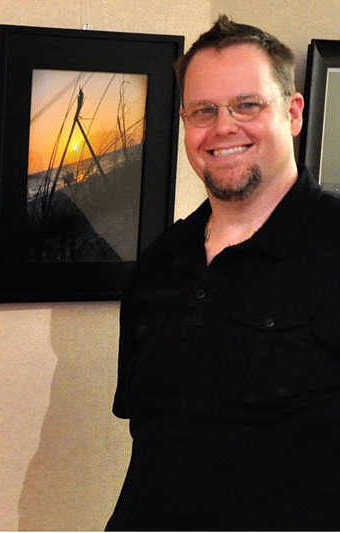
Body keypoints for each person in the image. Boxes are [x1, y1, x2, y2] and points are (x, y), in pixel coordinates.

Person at [107, 15, 340, 530]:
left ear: (294, 111)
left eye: (247, 104)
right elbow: (155, 447)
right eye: (203, 111)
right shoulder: (160, 263)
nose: (223, 127)